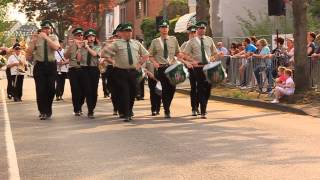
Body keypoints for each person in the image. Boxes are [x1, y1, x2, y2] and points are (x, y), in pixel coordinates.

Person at [102, 23, 149, 122]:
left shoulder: (136, 43)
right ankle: (127, 114)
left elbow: (145, 55)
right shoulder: (117, 43)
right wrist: (112, 61)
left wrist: (140, 64)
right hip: (120, 72)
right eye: (126, 31)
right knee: (125, 92)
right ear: (122, 33)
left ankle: (129, 110)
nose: (128, 33)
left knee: (133, 92)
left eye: (130, 31)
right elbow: (103, 53)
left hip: (133, 72)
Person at [149, 19, 184, 119]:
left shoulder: (173, 39)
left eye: (166, 27)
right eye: (162, 27)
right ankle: (166, 110)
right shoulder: (155, 41)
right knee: (164, 88)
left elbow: (178, 52)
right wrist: (155, 63)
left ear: (168, 29)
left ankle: (166, 105)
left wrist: (184, 57)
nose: (164, 29)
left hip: (172, 68)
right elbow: (150, 55)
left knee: (172, 89)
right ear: (159, 29)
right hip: (161, 68)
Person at [183, 21, 218, 119]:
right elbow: (185, 54)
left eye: (204, 28)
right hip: (197, 68)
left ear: (205, 30)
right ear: (197, 29)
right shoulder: (192, 41)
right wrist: (192, 61)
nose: (202, 30)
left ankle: (203, 105)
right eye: (200, 28)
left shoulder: (209, 40)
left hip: (208, 67)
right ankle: (202, 110)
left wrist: (212, 58)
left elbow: (215, 53)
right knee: (200, 88)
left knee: (208, 89)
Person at [26, 20, 60, 120]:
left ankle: (48, 109)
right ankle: (43, 111)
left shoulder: (54, 37)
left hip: (51, 65)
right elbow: (28, 54)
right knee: (40, 90)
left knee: (51, 89)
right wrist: (33, 41)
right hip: (40, 66)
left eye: (47, 28)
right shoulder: (36, 38)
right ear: (41, 28)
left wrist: (46, 38)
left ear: (50, 29)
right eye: (44, 28)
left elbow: (56, 47)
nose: (46, 30)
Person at [64, 27, 86, 116]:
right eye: (78, 35)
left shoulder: (85, 45)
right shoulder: (70, 45)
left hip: (83, 69)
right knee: (75, 90)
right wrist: (70, 46)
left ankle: (80, 106)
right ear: (74, 36)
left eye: (81, 35)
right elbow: (65, 56)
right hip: (73, 69)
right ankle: (76, 109)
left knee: (83, 90)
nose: (80, 37)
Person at [79, 29, 101, 119]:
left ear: (95, 38)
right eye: (89, 37)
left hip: (94, 69)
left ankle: (92, 107)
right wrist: (80, 47)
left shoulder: (98, 46)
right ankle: (90, 110)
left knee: (94, 91)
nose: (91, 38)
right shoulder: (82, 48)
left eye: (93, 36)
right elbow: (79, 59)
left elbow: (95, 54)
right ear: (86, 38)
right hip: (84, 69)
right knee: (87, 90)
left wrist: (87, 47)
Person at [181, 25, 200, 116]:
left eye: (194, 32)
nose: (193, 34)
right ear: (188, 33)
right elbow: (180, 56)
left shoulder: (201, 42)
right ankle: (194, 108)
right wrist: (186, 63)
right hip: (191, 68)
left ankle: (199, 106)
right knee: (194, 88)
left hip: (200, 68)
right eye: (191, 33)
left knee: (200, 88)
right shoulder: (185, 44)